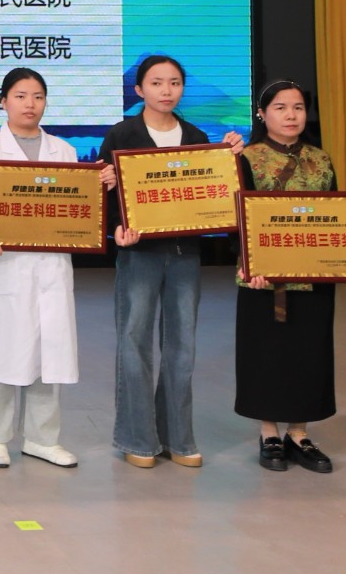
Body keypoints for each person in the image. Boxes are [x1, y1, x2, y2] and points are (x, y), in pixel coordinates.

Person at [99, 55, 244, 470]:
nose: (166, 90)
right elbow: (107, 194)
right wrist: (116, 228)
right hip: (139, 253)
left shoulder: (197, 137)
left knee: (182, 346)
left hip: (184, 253)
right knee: (134, 342)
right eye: (157, 82)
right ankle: (137, 438)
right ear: (139, 90)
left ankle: (178, 437)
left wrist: (232, 159)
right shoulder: (121, 135)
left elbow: (218, 195)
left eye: (175, 82)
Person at [0, 67, 101, 469]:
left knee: (49, 355)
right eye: (21, 96)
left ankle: (42, 439)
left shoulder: (65, 152)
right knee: (0, 354)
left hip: (51, 268)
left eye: (38, 96)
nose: (30, 104)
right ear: (3, 101)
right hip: (2, 268)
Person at [235, 80, 346, 474]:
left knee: (310, 351)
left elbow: (338, 216)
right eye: (280, 107)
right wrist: (251, 264)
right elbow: (237, 218)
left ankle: (299, 433)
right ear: (262, 114)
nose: (291, 115)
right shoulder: (247, 158)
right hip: (264, 277)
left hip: (314, 274)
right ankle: (268, 432)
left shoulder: (321, 159)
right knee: (267, 353)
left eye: (298, 107)